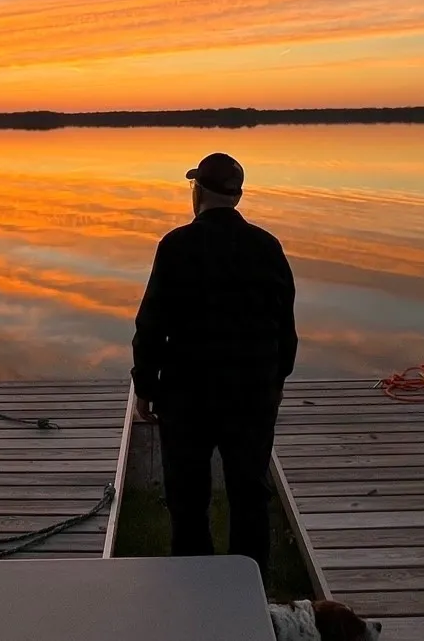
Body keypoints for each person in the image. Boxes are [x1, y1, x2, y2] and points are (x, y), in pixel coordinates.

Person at [131, 151, 297, 575]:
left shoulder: (176, 246)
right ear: (237, 196)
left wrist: (145, 387)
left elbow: (151, 324)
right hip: (252, 394)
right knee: (249, 496)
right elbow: (285, 328)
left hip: (188, 395)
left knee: (188, 498)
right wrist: (277, 382)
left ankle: (194, 589)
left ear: (198, 192)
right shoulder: (267, 246)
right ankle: (250, 591)